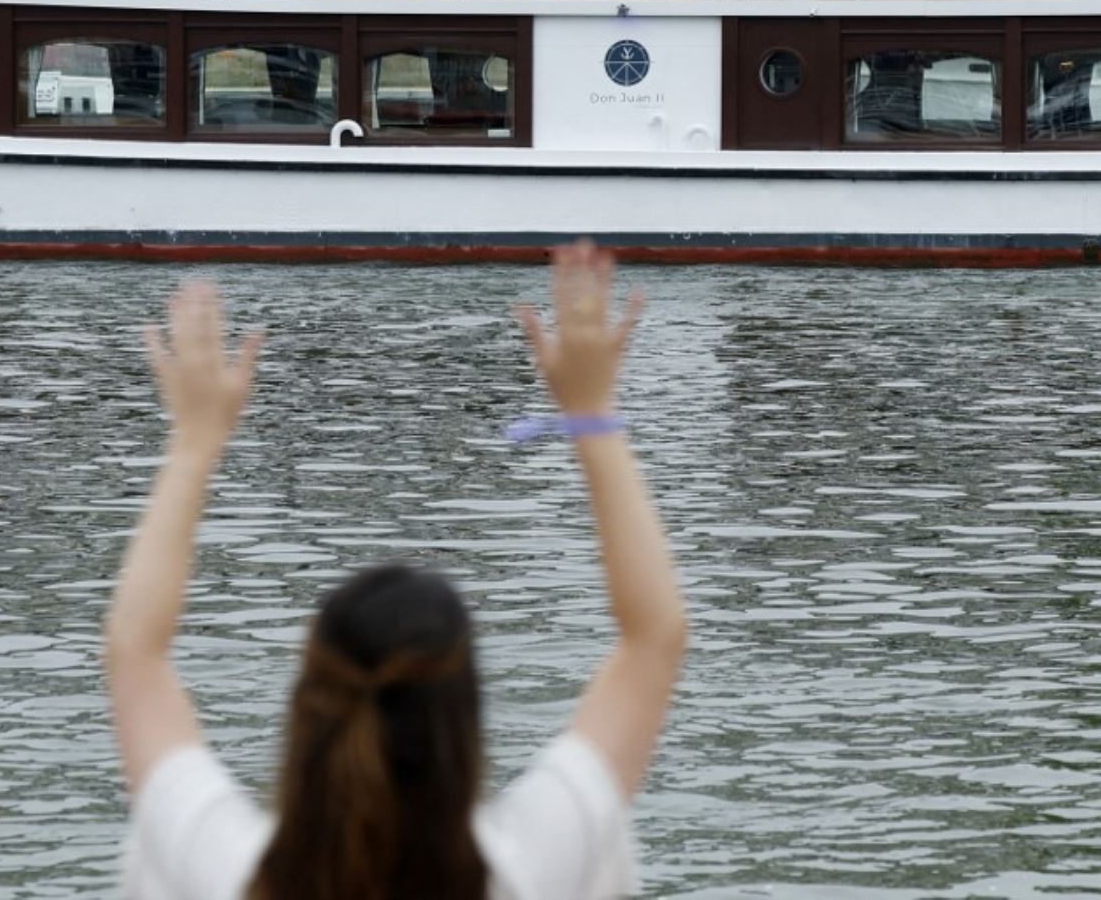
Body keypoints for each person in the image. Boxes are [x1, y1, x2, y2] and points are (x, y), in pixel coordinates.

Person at [110, 247, 688, 899]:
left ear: (309, 711)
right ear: (463, 728)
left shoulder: (223, 869)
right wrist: (590, 412)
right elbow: (654, 636)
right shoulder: (529, 870)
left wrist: (194, 440)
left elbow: (136, 653)